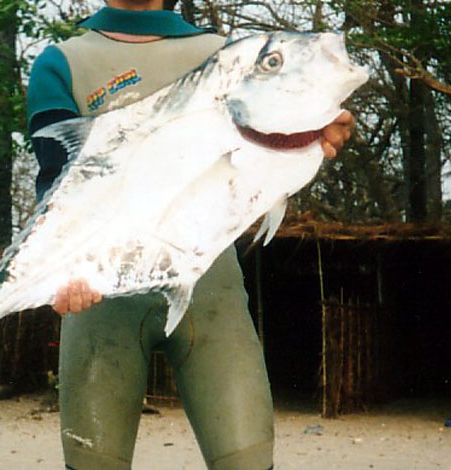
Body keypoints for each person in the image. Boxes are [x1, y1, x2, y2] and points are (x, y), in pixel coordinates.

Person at [26, 2, 355, 469]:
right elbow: (58, 188)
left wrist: (312, 137)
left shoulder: (228, 54)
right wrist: (61, 272)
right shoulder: (61, 62)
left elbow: (252, 168)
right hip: (99, 302)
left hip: (212, 295)